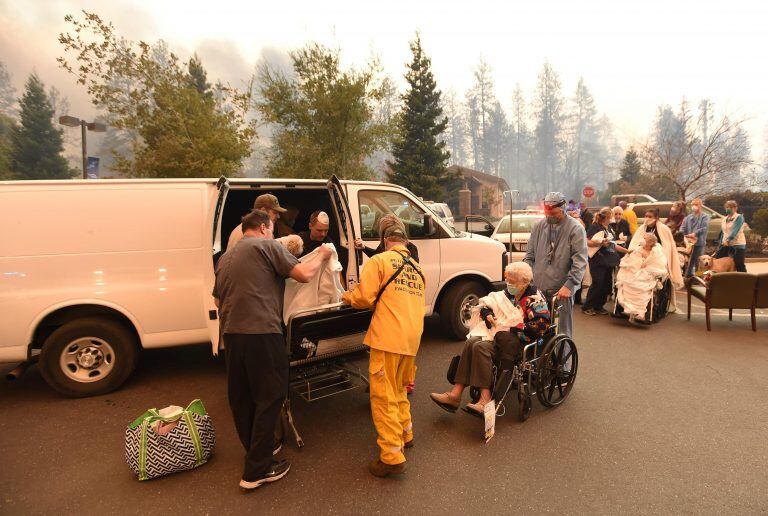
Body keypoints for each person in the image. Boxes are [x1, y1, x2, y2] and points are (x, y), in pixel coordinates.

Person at [213, 209, 333, 490]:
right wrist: (324, 256)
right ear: (265, 227)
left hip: (231, 334)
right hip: (262, 333)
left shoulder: (226, 257)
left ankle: (259, 450)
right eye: (272, 227)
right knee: (270, 396)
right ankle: (257, 470)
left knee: (242, 398)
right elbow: (303, 274)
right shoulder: (267, 246)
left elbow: (218, 301)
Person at [342, 226, 426, 478]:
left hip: (388, 337)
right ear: (404, 242)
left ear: (385, 241)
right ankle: (405, 434)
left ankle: (390, 457)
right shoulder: (418, 268)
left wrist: (347, 296)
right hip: (412, 338)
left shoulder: (379, 260)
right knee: (400, 388)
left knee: (383, 395)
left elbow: (365, 298)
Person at [429, 262, 549, 415]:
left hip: (518, 341)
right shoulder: (509, 293)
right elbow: (488, 303)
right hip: (498, 335)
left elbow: (541, 326)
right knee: (471, 341)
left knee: (480, 347)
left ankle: (485, 399)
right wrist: (488, 314)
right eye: (507, 280)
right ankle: (455, 394)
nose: (508, 284)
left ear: (524, 282)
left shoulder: (535, 300)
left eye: (512, 282)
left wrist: (510, 327)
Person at [523, 192, 588, 338]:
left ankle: (562, 360)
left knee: (562, 330)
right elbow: (530, 255)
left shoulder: (575, 229)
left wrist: (569, 285)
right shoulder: (539, 226)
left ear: (563, 207)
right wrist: (525, 276)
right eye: (547, 212)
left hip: (562, 289)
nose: (550, 216)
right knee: (537, 327)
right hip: (538, 287)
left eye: (554, 213)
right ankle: (541, 358)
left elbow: (580, 260)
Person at [628, 209, 683, 312]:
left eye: (650, 216)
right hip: (643, 257)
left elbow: (667, 247)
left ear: (656, 218)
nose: (647, 218)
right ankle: (633, 302)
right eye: (646, 216)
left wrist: (655, 251)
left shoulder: (664, 229)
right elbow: (635, 243)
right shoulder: (642, 228)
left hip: (658, 258)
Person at [582, 208, 628, 316]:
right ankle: (588, 306)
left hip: (610, 260)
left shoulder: (610, 228)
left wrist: (627, 251)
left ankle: (599, 306)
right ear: (606, 217)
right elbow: (588, 241)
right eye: (612, 215)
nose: (613, 217)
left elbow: (613, 244)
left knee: (607, 284)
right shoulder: (595, 227)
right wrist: (600, 243)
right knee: (598, 283)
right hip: (598, 259)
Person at [616, 233, 668, 326]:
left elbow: (659, 265)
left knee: (641, 286)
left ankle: (639, 313)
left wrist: (646, 266)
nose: (642, 239)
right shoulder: (638, 249)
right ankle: (629, 310)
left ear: (651, 242)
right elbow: (630, 261)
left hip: (648, 273)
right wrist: (638, 263)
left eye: (645, 238)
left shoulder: (656, 252)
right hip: (634, 272)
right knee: (628, 283)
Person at [354, 213, 420, 263]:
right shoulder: (411, 248)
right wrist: (364, 248)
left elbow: (376, 255)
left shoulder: (411, 249)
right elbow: (376, 254)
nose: (394, 236)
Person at [714, 200, 747, 272]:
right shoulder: (724, 219)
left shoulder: (739, 217)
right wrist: (721, 242)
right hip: (725, 244)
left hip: (737, 244)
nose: (728, 209)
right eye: (727, 207)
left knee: (739, 264)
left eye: (730, 207)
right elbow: (723, 232)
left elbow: (735, 230)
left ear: (735, 208)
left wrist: (728, 240)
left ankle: (746, 281)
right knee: (718, 260)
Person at [680, 198, 710, 277]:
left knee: (699, 263)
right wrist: (682, 234)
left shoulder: (705, 217)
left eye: (696, 204)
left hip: (699, 243)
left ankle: (699, 278)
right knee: (689, 261)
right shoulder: (688, 218)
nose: (694, 206)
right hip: (689, 244)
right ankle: (688, 277)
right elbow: (682, 227)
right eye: (692, 205)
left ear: (701, 205)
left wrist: (695, 234)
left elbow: (704, 228)